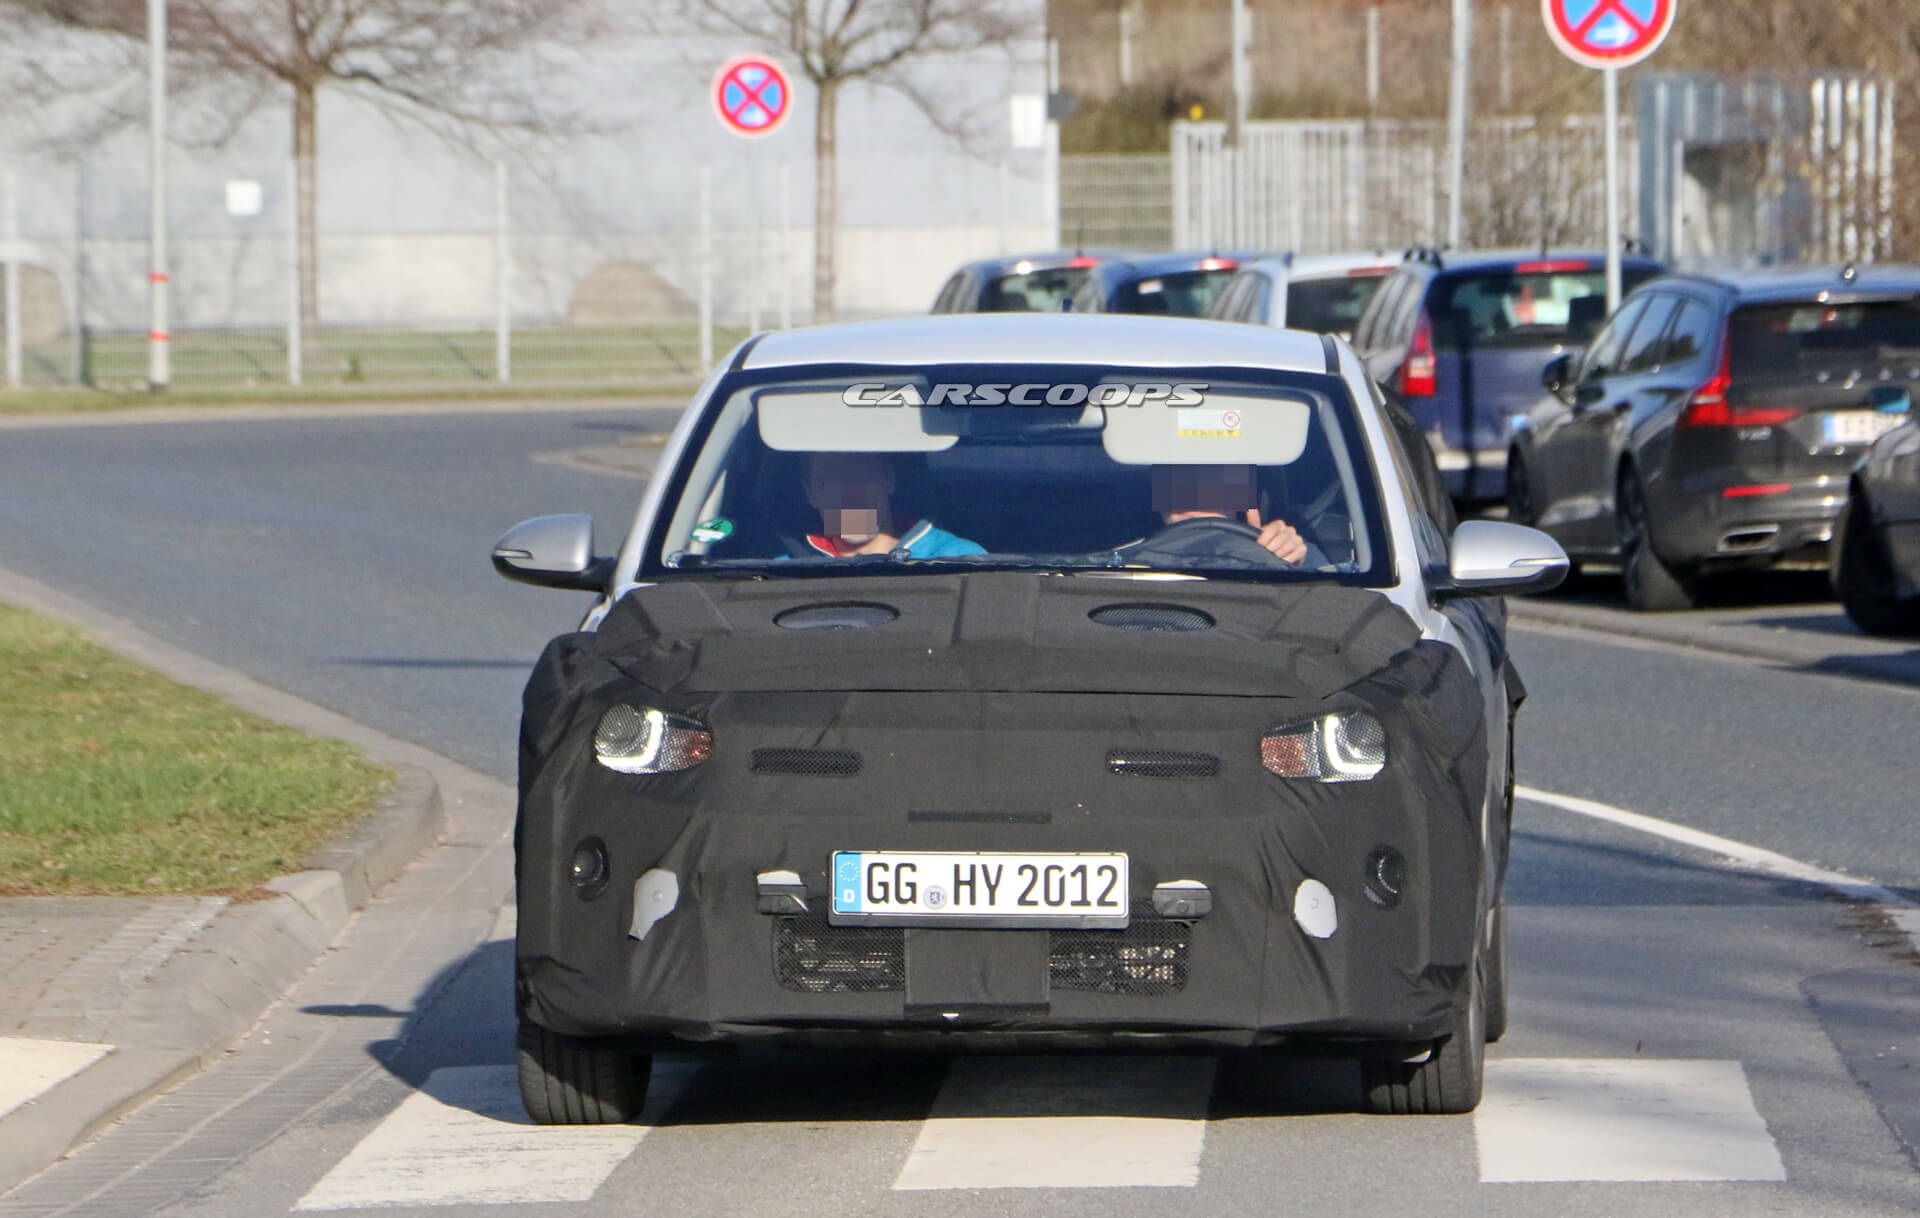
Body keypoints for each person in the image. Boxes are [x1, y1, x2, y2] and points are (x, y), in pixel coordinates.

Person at [1114, 463, 1324, 570]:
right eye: (1178, 476)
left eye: (1212, 478)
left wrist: (1295, 561)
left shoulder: (1281, 550)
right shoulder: (1117, 560)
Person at [798, 452, 985, 558]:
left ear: (889, 479)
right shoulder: (780, 574)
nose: (848, 496)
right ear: (811, 494)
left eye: (861, 477)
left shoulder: (961, 560)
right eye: (828, 483)